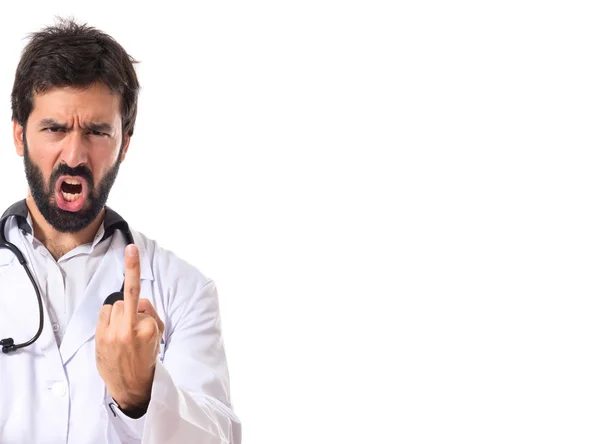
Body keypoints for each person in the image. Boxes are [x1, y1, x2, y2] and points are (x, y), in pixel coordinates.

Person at [0, 18, 241, 443]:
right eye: (54, 128)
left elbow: (217, 437)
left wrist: (140, 396)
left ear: (124, 144)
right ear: (19, 135)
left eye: (96, 132)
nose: (73, 155)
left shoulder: (183, 291)